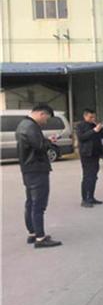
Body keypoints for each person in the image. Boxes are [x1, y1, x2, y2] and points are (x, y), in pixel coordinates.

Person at [15, 104, 62, 248]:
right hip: (37, 168)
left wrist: (45, 141)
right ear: (42, 113)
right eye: (46, 118)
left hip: (28, 168)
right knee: (38, 204)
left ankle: (33, 233)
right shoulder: (31, 127)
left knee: (31, 202)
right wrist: (49, 141)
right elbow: (40, 146)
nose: (45, 122)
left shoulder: (23, 124)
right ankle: (40, 238)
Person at [76, 108, 103, 207]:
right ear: (85, 116)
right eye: (90, 117)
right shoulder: (80, 126)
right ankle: (85, 199)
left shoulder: (95, 125)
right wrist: (94, 131)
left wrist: (100, 128)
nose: (93, 119)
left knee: (94, 176)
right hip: (86, 154)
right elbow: (81, 137)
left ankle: (91, 197)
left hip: (95, 154)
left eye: (94, 117)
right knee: (88, 176)